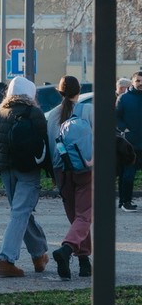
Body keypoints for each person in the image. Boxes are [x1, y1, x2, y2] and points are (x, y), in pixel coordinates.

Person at [0, 77, 50, 278]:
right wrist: (54, 174)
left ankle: (39, 255)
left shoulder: (1, 112)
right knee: (20, 213)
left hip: (6, 171)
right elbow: (45, 144)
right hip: (28, 170)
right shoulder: (35, 113)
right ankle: (6, 259)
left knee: (21, 213)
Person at [48, 75, 94, 279]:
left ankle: (84, 262)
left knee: (76, 217)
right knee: (84, 216)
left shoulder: (52, 116)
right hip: (86, 168)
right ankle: (67, 250)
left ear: (59, 93)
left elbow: (50, 147)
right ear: (80, 90)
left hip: (61, 171)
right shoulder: (89, 110)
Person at [116, 71, 142, 213]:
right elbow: (116, 117)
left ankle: (125, 201)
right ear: (132, 82)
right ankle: (125, 201)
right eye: (138, 81)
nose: (140, 84)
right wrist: (124, 130)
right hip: (130, 144)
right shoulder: (124, 98)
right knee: (127, 174)